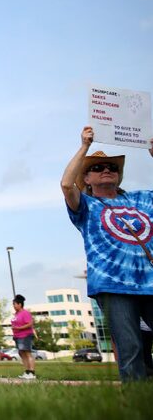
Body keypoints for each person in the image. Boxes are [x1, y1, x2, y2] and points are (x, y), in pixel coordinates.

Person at [61, 126, 153, 382]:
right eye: (97, 168)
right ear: (87, 179)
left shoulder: (143, 199)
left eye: (112, 168)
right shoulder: (86, 206)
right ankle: (136, 403)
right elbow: (67, 184)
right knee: (130, 348)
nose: (106, 171)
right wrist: (84, 147)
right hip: (113, 286)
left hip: (150, 281)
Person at [11, 294, 35, 379]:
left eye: (14, 304)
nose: (13, 306)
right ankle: (27, 371)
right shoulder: (16, 314)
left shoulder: (25, 313)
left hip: (25, 336)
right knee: (21, 353)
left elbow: (30, 323)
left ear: (19, 304)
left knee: (27, 353)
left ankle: (32, 372)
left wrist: (18, 328)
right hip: (17, 337)